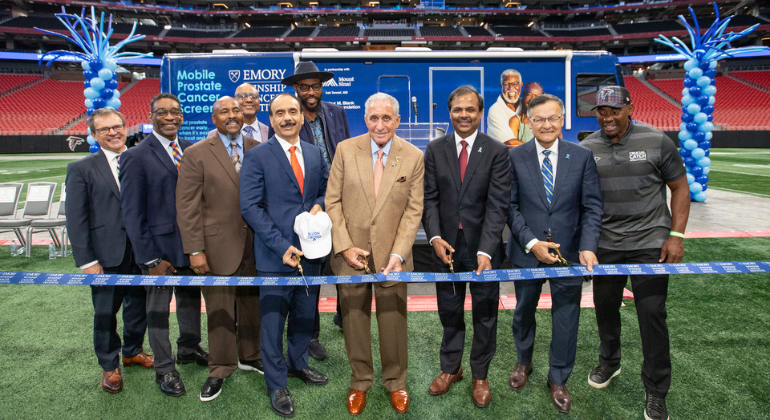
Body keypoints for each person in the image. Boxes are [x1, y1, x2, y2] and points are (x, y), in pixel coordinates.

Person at [581, 85, 690, 420]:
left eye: (614, 110)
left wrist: (675, 234)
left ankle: (656, 391)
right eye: (601, 110)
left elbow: (680, 186)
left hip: (650, 245)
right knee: (605, 310)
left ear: (630, 108)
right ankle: (609, 362)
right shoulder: (586, 148)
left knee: (652, 315)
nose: (608, 117)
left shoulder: (657, 141)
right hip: (606, 246)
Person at [325, 92, 424, 416]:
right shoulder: (344, 150)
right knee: (354, 322)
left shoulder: (412, 156)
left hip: (393, 259)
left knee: (393, 324)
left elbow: (413, 210)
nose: (380, 125)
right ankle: (360, 381)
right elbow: (333, 202)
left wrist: (398, 252)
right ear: (365, 120)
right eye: (373, 118)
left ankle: (396, 382)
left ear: (397, 120)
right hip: (350, 256)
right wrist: (344, 245)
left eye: (386, 118)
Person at [506, 94, 603, 414]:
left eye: (553, 118)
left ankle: (558, 377)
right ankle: (523, 361)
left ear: (563, 120)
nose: (547, 125)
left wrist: (588, 246)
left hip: (570, 253)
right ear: (528, 122)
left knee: (566, 317)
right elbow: (511, 207)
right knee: (523, 312)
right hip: (527, 252)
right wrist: (532, 243)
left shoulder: (583, 156)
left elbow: (592, 208)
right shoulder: (514, 157)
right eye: (539, 119)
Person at [240, 93, 329, 418]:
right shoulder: (257, 156)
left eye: (293, 111)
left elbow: (322, 189)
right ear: (272, 119)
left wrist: (319, 203)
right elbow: (250, 207)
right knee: (273, 324)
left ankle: (298, 365)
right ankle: (277, 384)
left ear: (302, 116)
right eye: (280, 113)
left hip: (311, 254)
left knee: (305, 316)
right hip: (275, 256)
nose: (288, 117)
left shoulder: (314, 152)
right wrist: (281, 246)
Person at [422, 86, 510, 408]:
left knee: (485, 314)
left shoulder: (497, 151)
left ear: (480, 112)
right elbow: (429, 199)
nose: (463, 115)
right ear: (450, 112)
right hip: (445, 248)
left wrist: (486, 251)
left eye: (470, 109)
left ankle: (480, 375)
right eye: (458, 109)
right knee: (449, 311)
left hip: (484, 250)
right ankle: (451, 368)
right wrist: (433, 237)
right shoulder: (433, 149)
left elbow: (498, 205)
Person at [120, 93, 208, 398]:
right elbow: (132, 214)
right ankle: (165, 368)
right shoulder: (135, 156)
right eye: (162, 112)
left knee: (189, 300)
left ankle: (188, 348)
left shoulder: (190, 149)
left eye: (175, 112)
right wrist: (150, 257)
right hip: (158, 252)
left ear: (182, 116)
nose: (170, 117)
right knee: (157, 311)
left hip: (190, 246)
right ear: (151, 115)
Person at [176, 96, 263, 402]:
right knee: (220, 309)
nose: (231, 115)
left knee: (253, 304)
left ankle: (251, 355)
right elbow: (186, 208)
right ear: (214, 119)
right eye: (224, 111)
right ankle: (221, 366)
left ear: (245, 115)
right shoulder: (196, 153)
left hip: (255, 245)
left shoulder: (258, 149)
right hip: (214, 247)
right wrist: (195, 249)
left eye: (236, 110)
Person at [65, 108, 152, 394]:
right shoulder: (81, 168)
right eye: (105, 130)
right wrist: (87, 261)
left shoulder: (140, 160)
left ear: (126, 127)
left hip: (140, 252)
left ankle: (132, 351)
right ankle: (109, 365)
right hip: (105, 255)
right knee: (105, 313)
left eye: (117, 126)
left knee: (138, 307)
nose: (113, 132)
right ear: (93, 135)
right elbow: (76, 219)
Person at [275, 61, 352, 357]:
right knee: (313, 270)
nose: (310, 92)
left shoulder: (337, 112)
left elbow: (345, 153)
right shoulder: (290, 118)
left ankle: (345, 317)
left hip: (341, 202)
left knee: (344, 262)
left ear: (322, 88)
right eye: (304, 87)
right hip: (311, 208)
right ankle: (311, 336)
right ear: (296, 89)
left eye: (315, 86)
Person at [487, 69, 530, 147]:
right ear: (501, 86)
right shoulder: (495, 110)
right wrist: (536, 150)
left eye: (515, 84)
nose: (511, 88)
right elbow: (510, 142)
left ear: (521, 85)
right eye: (506, 84)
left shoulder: (526, 105)